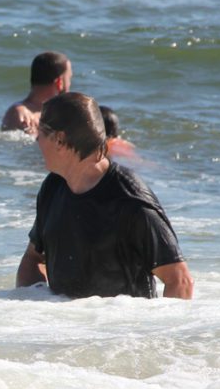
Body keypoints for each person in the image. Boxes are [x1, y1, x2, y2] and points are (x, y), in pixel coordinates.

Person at [16, 92, 194, 299]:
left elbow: (180, 280)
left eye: (41, 133)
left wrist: (155, 332)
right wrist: (35, 311)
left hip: (119, 329)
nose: (37, 140)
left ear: (59, 140)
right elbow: (33, 259)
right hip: (65, 328)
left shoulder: (130, 199)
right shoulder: (53, 187)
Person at [1, 51, 72, 136]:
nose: (70, 84)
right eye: (69, 78)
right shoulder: (23, 116)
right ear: (59, 82)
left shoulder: (18, 113)